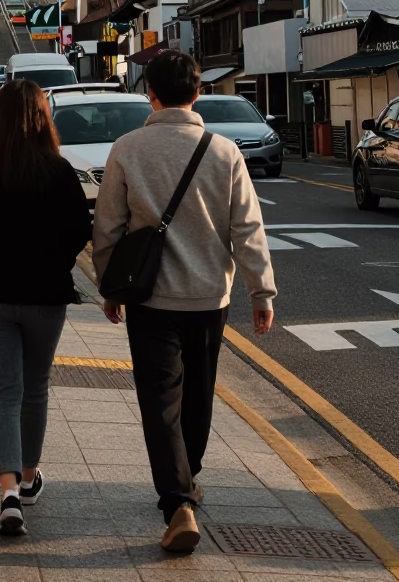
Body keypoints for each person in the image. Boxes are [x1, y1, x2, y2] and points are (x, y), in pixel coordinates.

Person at [92, 50, 276, 554]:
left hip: (151, 299)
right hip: (209, 297)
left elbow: (107, 227)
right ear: (197, 93)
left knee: (160, 401)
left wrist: (111, 287)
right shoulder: (225, 152)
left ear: (149, 92)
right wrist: (261, 291)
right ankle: (187, 483)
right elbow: (248, 228)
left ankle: (177, 501)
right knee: (198, 395)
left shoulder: (128, 148)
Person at [0, 80, 91, 535]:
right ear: (42, 118)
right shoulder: (59, 172)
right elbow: (77, 233)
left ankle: (7, 492)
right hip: (46, 297)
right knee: (36, 388)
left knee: (2, 393)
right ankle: (28, 478)